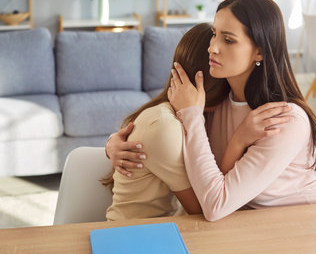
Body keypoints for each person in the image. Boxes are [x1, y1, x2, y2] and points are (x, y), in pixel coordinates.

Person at [107, 0, 316, 222]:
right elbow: (214, 181)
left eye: (228, 39)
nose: (213, 48)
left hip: (313, 223)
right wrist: (114, 145)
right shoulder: (213, 104)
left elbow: (215, 205)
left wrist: (193, 117)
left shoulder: (283, 121)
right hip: (252, 228)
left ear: (259, 51)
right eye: (214, 34)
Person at [104, 23, 290, 221]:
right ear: (211, 84)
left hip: (172, 229)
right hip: (137, 236)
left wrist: (109, 146)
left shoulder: (186, 120)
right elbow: (207, 207)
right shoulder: (166, 127)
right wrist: (238, 141)